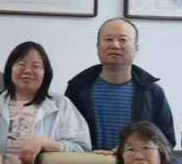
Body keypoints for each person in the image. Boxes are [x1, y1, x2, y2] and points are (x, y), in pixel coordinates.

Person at [65, 17, 175, 151]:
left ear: (136, 49)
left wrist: (132, 150)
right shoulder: (77, 89)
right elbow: (66, 135)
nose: (115, 45)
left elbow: (166, 140)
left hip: (136, 162)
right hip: (88, 162)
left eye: (123, 40)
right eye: (108, 39)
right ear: (98, 47)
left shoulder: (151, 91)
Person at [0, 41, 90, 164]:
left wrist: (45, 143)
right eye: (21, 64)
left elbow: (82, 148)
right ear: (10, 69)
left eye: (36, 66)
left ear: (45, 73)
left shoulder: (61, 104)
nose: (27, 71)